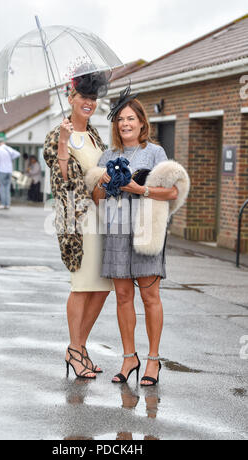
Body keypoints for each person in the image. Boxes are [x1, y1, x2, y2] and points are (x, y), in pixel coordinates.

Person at [89, 87, 190, 386]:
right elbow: (96, 198)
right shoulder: (108, 155)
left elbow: (172, 192)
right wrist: (103, 182)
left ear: (142, 123)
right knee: (122, 297)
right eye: (120, 119)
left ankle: (153, 360)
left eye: (131, 118)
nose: (125, 124)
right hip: (116, 232)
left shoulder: (155, 153)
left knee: (150, 297)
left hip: (147, 230)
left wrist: (139, 189)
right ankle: (129, 357)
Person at [43, 70, 114, 379]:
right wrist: (62, 141)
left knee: (102, 287)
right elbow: (64, 179)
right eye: (83, 97)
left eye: (93, 98)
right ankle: (75, 349)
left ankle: (79, 348)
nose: (88, 103)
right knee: (82, 286)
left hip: (103, 217)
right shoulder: (57, 134)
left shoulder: (96, 135)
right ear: (70, 98)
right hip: (78, 219)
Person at [0, 142, 20, 210]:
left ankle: (3, 204)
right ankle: (8, 204)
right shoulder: (9, 148)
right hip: (9, 171)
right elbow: (18, 154)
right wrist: (10, 158)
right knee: (7, 188)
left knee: (2, 187)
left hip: (2, 170)